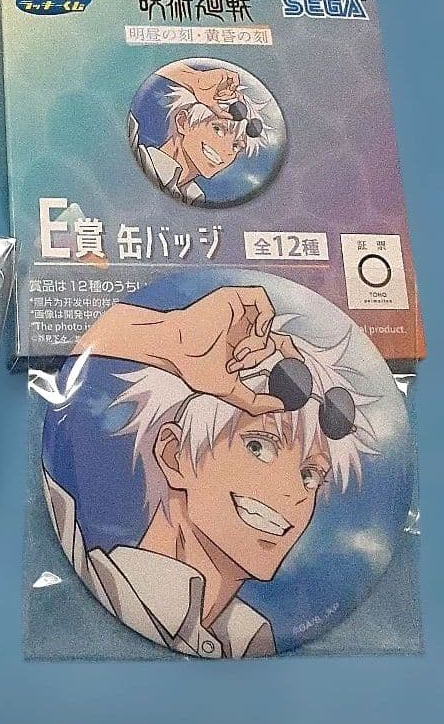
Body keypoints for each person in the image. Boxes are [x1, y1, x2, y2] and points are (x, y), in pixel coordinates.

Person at [46, 287, 375, 657]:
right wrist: (170, 338)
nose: (295, 493)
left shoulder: (254, 639)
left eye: (310, 474)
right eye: (259, 446)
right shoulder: (84, 561)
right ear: (174, 456)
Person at [128, 61, 274, 206]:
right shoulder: (135, 154)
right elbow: (120, 72)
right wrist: (193, 79)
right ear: (183, 122)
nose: (227, 150)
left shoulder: (195, 199)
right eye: (218, 129)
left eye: (236, 146)